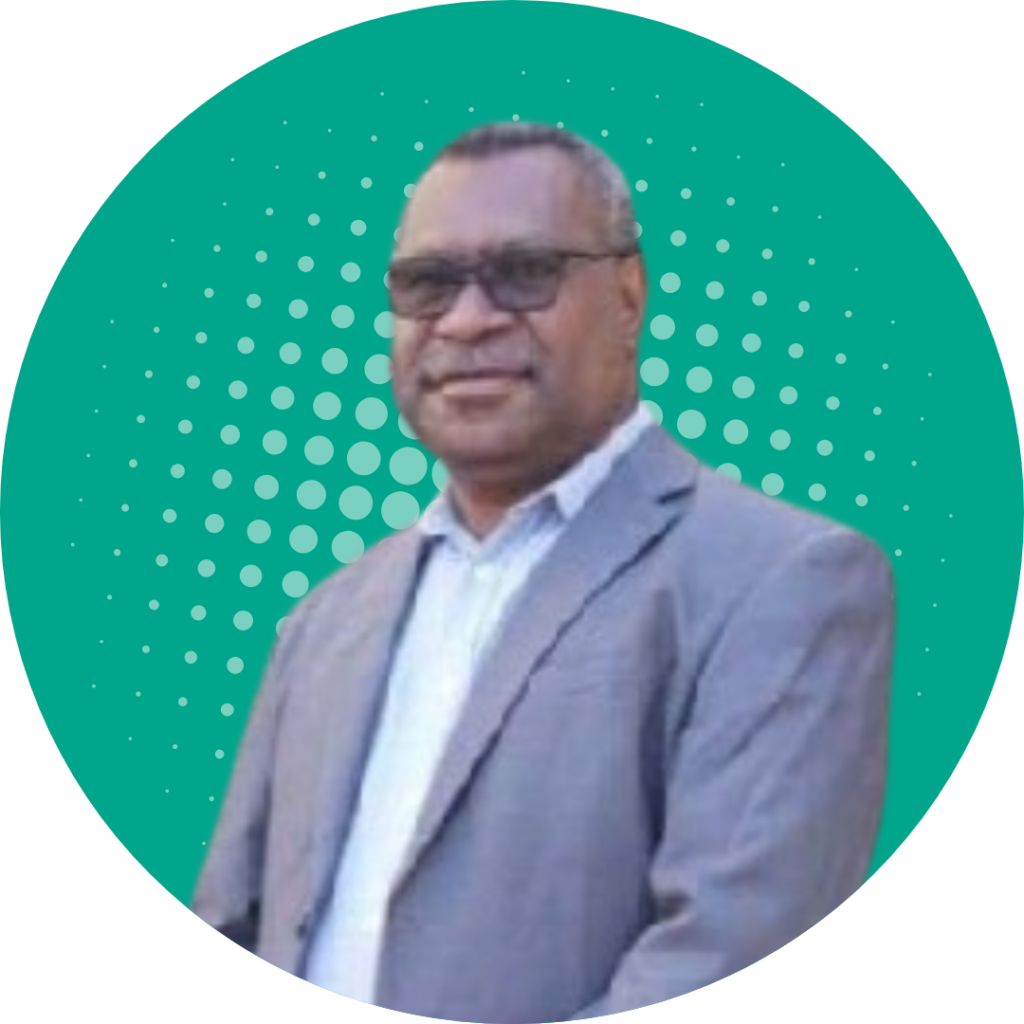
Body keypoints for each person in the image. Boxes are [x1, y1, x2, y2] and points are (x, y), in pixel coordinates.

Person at [193, 122, 894, 1023]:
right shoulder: (323, 619)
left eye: (525, 272)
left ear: (630, 296)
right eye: (428, 283)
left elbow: (728, 962)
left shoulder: (783, 583)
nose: (467, 319)